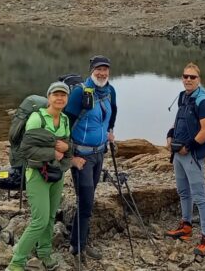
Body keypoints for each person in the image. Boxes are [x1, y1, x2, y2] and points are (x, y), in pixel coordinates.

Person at [8, 82, 74, 271]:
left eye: (63, 95)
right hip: (37, 174)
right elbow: (27, 149)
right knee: (40, 220)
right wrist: (53, 152)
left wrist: (67, 148)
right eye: (56, 95)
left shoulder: (65, 120)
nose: (60, 98)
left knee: (51, 217)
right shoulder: (37, 118)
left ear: (67, 99)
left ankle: (44, 253)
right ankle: (16, 262)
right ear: (49, 97)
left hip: (56, 175)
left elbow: (68, 144)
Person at [64, 55, 117, 261]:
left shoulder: (110, 91)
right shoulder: (80, 93)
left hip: (99, 154)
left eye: (105, 69)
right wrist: (71, 158)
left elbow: (112, 114)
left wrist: (110, 131)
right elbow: (65, 125)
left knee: (89, 198)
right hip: (82, 157)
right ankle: (77, 247)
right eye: (98, 69)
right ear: (91, 71)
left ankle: (80, 237)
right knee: (86, 201)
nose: (102, 73)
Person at [164, 63, 205, 257]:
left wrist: (189, 147)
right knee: (183, 192)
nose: (188, 79)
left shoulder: (202, 101)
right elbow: (180, 121)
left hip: (192, 155)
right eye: (185, 76)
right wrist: (170, 134)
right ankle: (186, 225)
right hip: (178, 153)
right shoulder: (183, 97)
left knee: (200, 196)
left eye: (192, 77)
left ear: (198, 79)